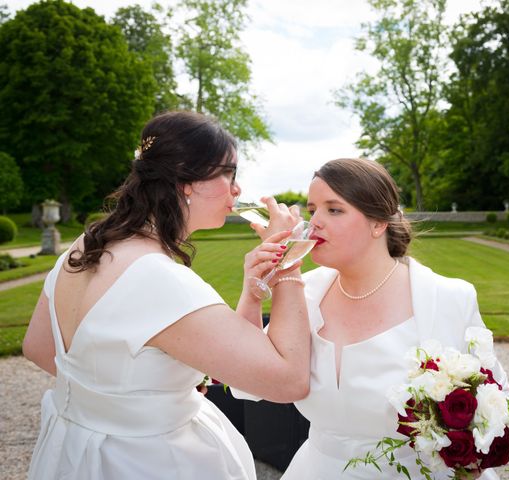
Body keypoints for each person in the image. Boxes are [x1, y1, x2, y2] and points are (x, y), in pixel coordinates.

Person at [21, 111, 311, 480]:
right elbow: (289, 381)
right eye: (228, 172)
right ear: (186, 180)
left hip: (75, 452)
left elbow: (39, 347)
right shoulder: (160, 279)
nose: (237, 189)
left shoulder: (82, 249)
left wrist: (142, 390)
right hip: (148, 461)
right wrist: (287, 256)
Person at [235, 158, 509, 479]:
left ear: (378, 222)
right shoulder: (304, 291)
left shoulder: (449, 298)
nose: (315, 223)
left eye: (334, 209)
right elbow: (247, 384)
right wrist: (252, 294)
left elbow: (498, 400)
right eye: (312, 210)